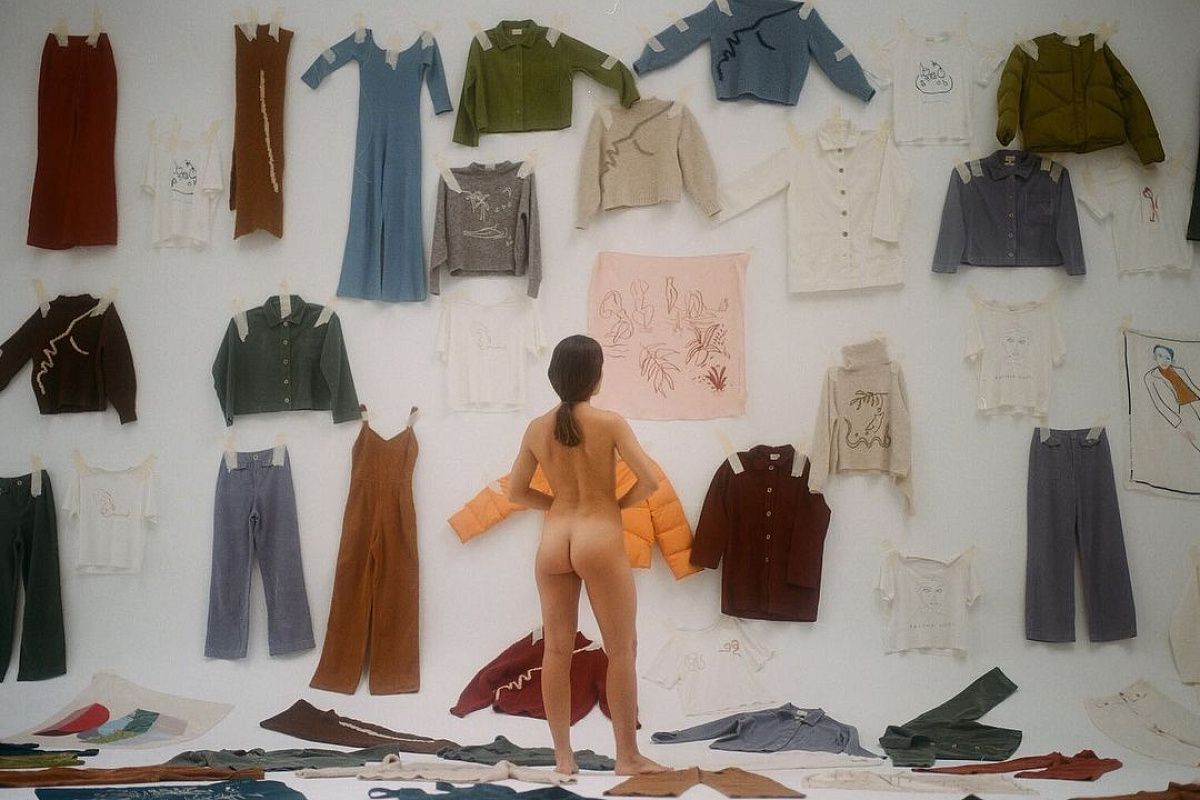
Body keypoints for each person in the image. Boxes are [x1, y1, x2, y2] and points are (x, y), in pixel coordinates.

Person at [508, 335, 666, 776]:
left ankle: (564, 758)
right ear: (595, 377)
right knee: (621, 649)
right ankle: (627, 756)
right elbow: (649, 481)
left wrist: (558, 505)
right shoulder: (610, 423)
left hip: (554, 542)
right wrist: (613, 505)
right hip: (599, 538)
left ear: (555, 376)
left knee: (556, 650)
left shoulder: (536, 428)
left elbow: (516, 492)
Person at [1145, 344, 1200, 453]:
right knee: (1196, 438)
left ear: (1172, 360)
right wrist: (1178, 424)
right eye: (1160, 356)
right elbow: (1159, 404)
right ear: (1154, 357)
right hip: (1183, 410)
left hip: (1196, 402)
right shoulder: (1150, 377)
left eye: (1167, 358)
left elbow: (1194, 388)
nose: (1164, 360)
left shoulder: (1180, 371)